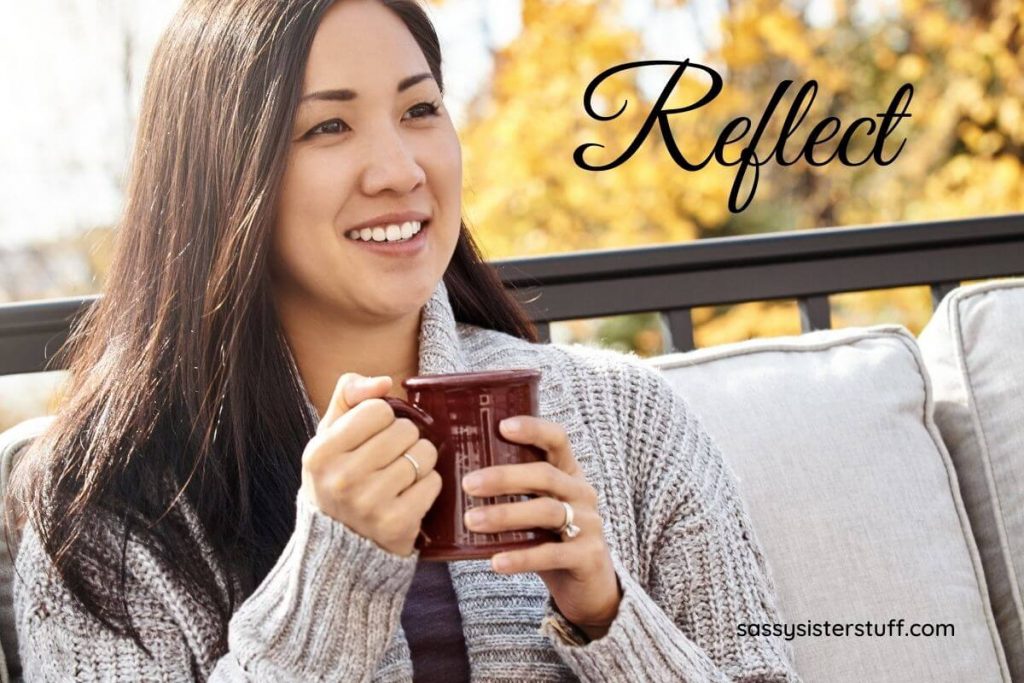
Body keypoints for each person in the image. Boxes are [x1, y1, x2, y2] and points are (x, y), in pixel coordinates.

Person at [10, 0, 801, 680]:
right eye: (328, 125)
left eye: (420, 110)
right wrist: (327, 587)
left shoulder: (629, 419)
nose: (398, 168)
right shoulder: (104, 503)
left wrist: (608, 616)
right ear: (222, 179)